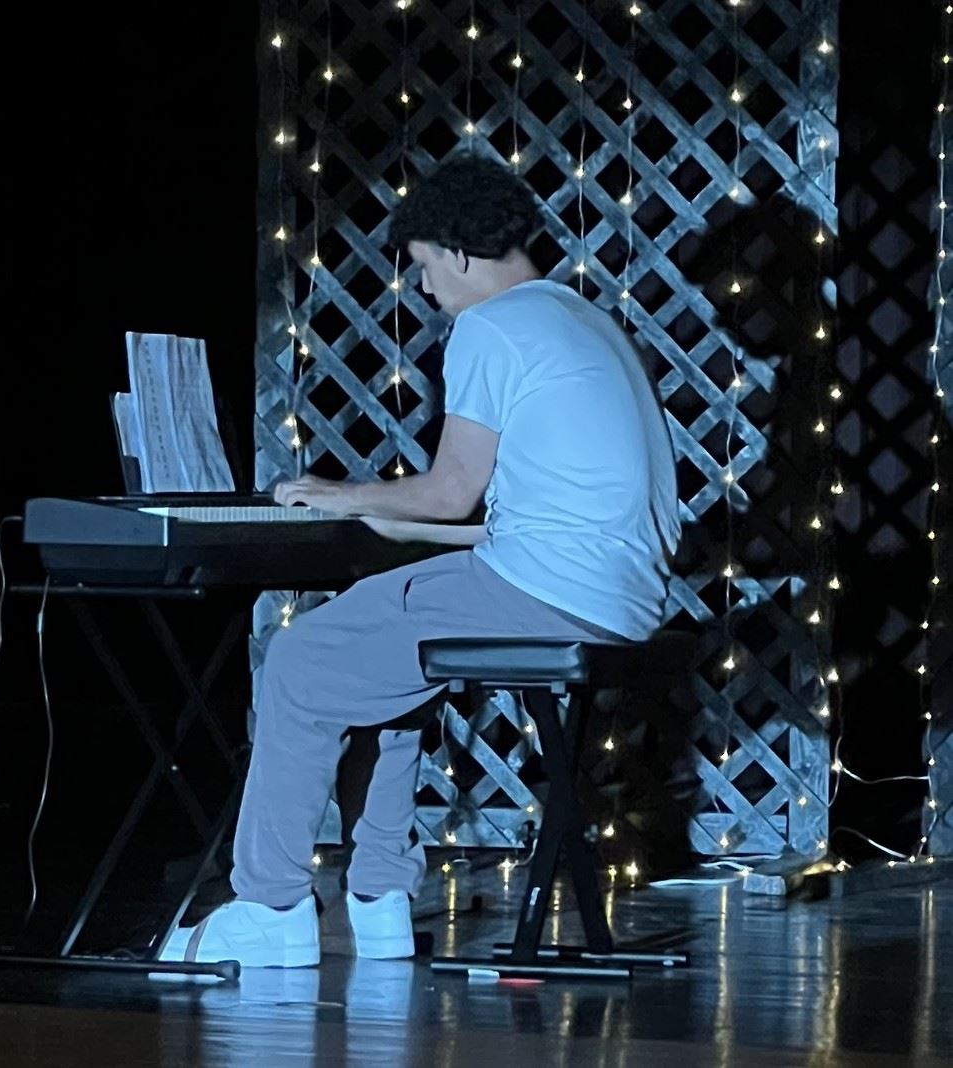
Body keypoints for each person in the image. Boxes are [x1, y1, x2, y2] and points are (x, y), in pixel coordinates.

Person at [160, 154, 681, 968]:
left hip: (552, 592)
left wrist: (337, 496)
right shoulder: (584, 319)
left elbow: (450, 493)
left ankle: (268, 906)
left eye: (429, 269)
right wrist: (385, 523)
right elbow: (536, 517)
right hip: (619, 595)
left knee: (301, 657)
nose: (429, 292)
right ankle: (378, 901)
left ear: (460, 252)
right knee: (381, 656)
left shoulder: (493, 325)